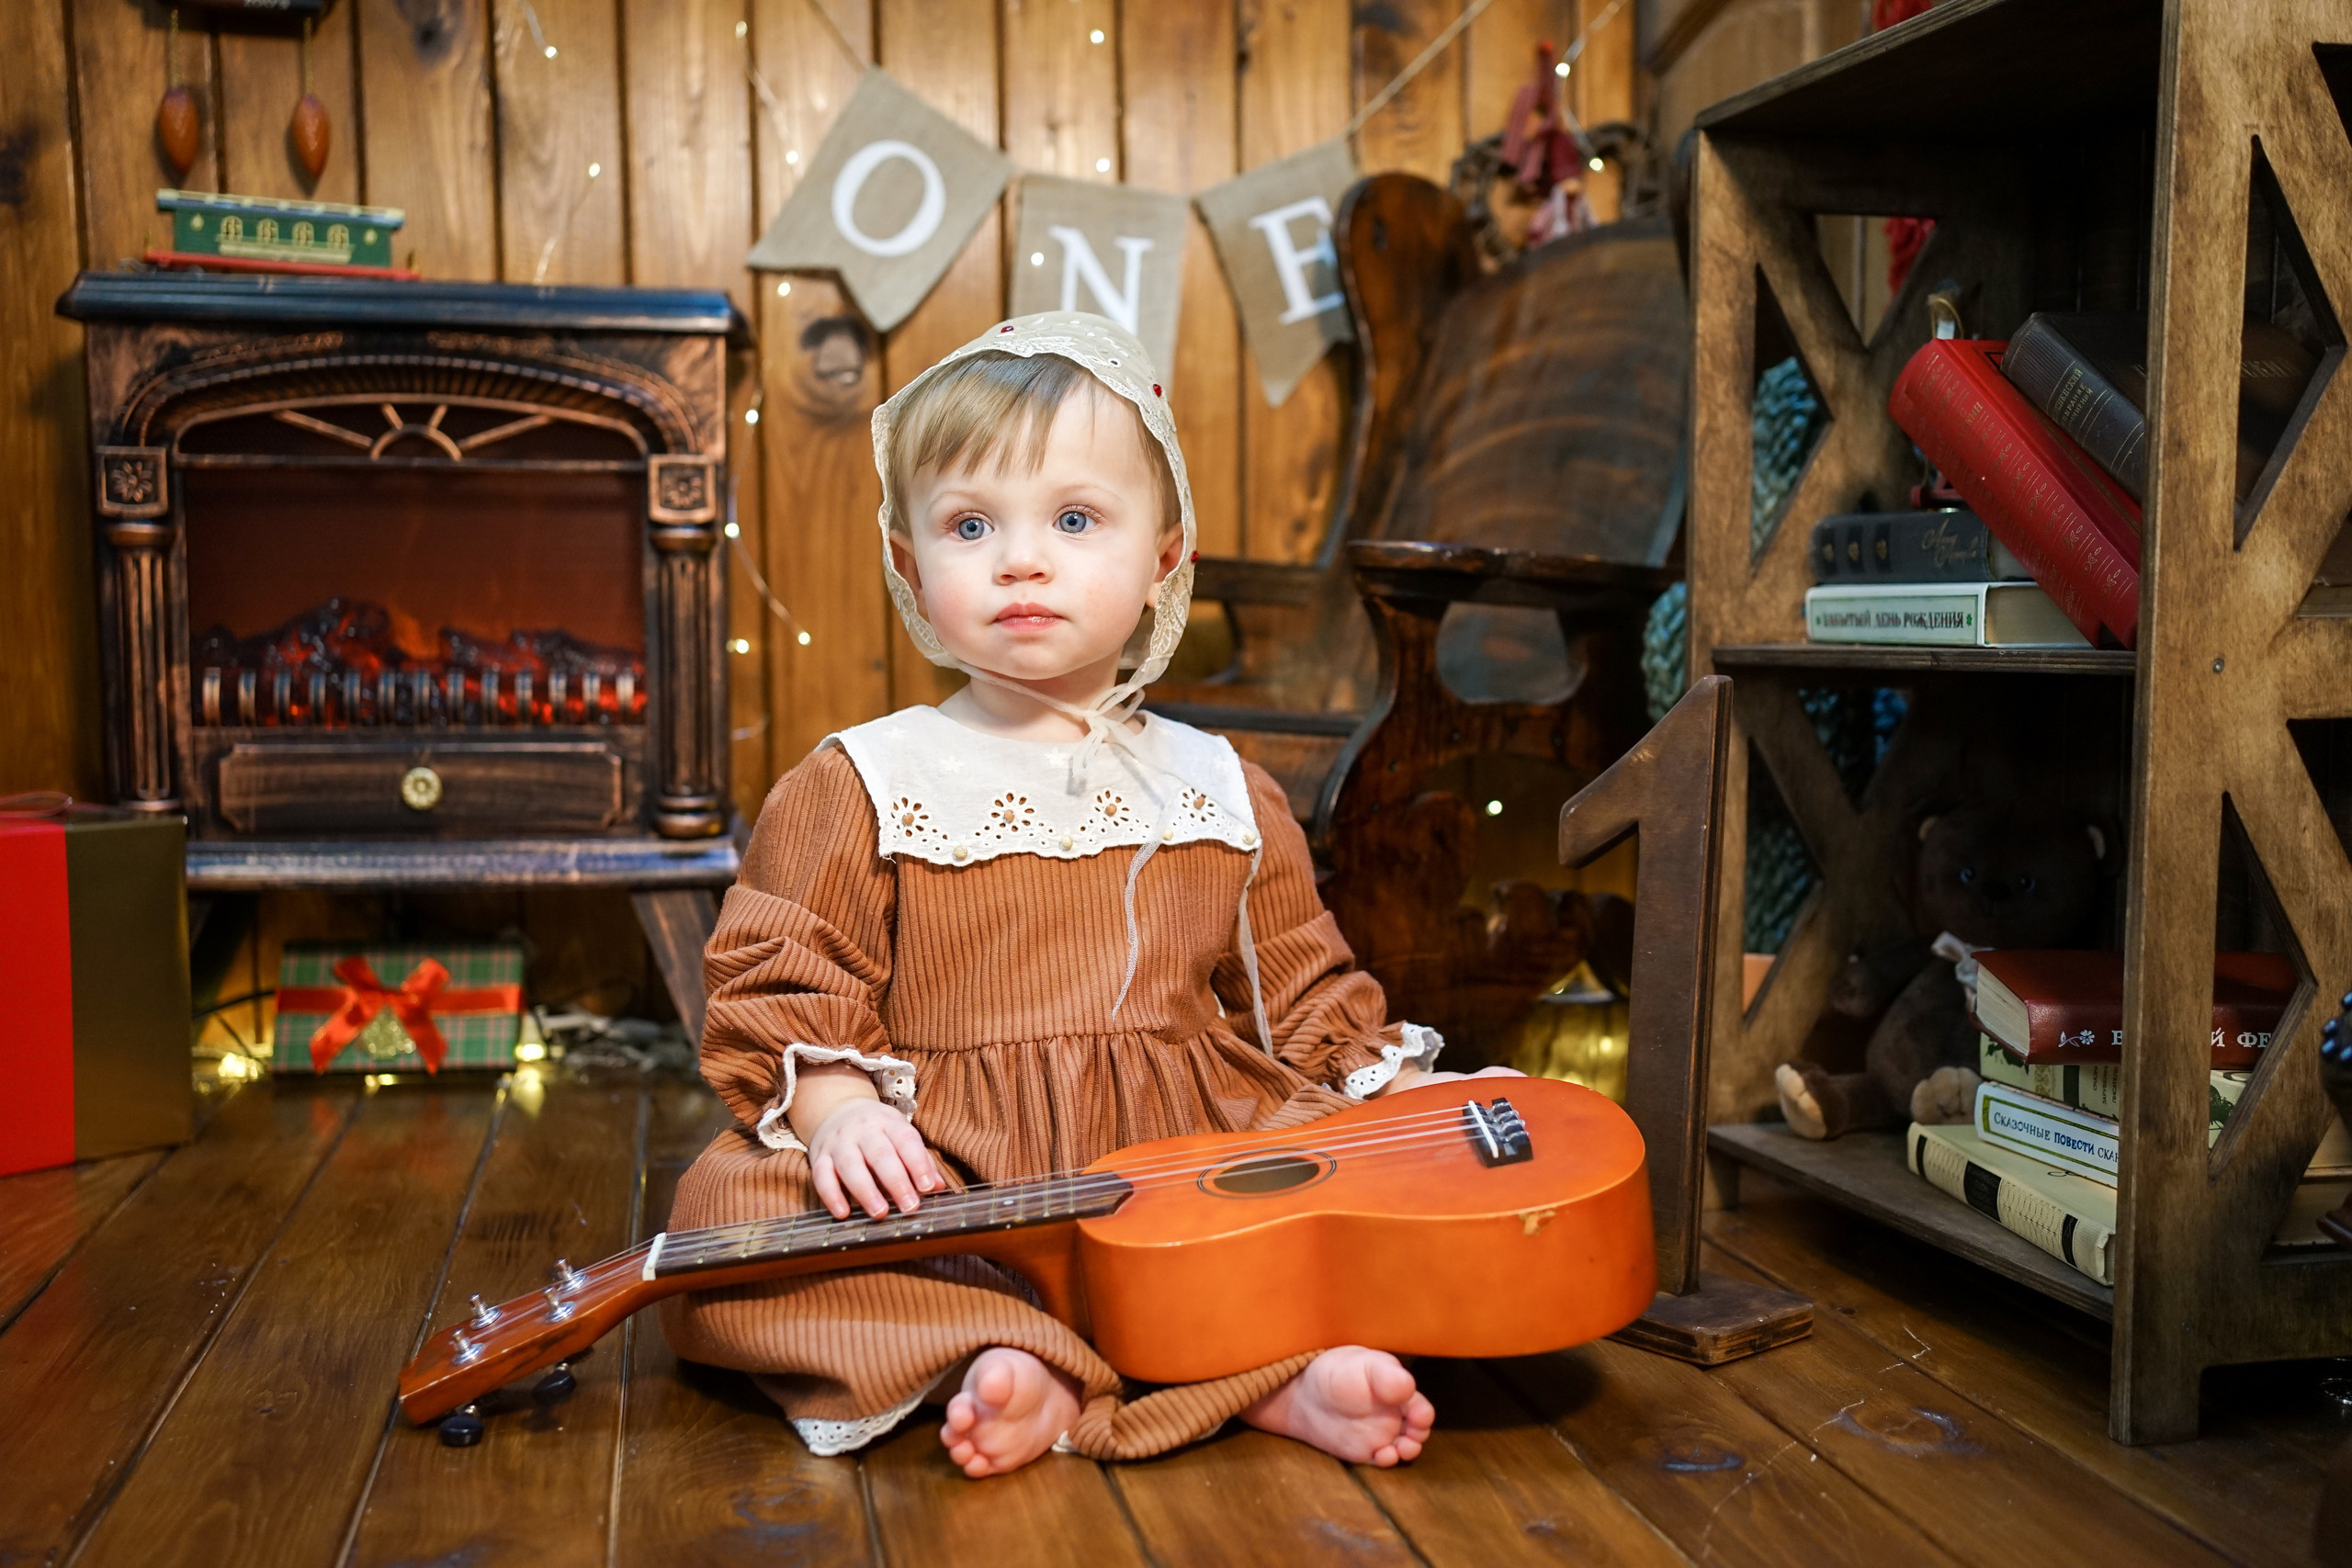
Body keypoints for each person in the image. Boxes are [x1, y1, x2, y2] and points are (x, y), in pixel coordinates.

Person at [661, 311, 1513, 1477]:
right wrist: (844, 1115)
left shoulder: (1218, 788)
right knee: (722, 1228)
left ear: (1165, 557)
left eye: (1073, 520)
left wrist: (1422, 1093)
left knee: (1337, 1191)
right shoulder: (866, 779)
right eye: (970, 525)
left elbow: (1306, 999)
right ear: (909, 564)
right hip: (958, 1174)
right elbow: (786, 973)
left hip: (1188, 1160)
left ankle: (1271, 1374)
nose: (1022, 560)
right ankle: (1009, 1354)